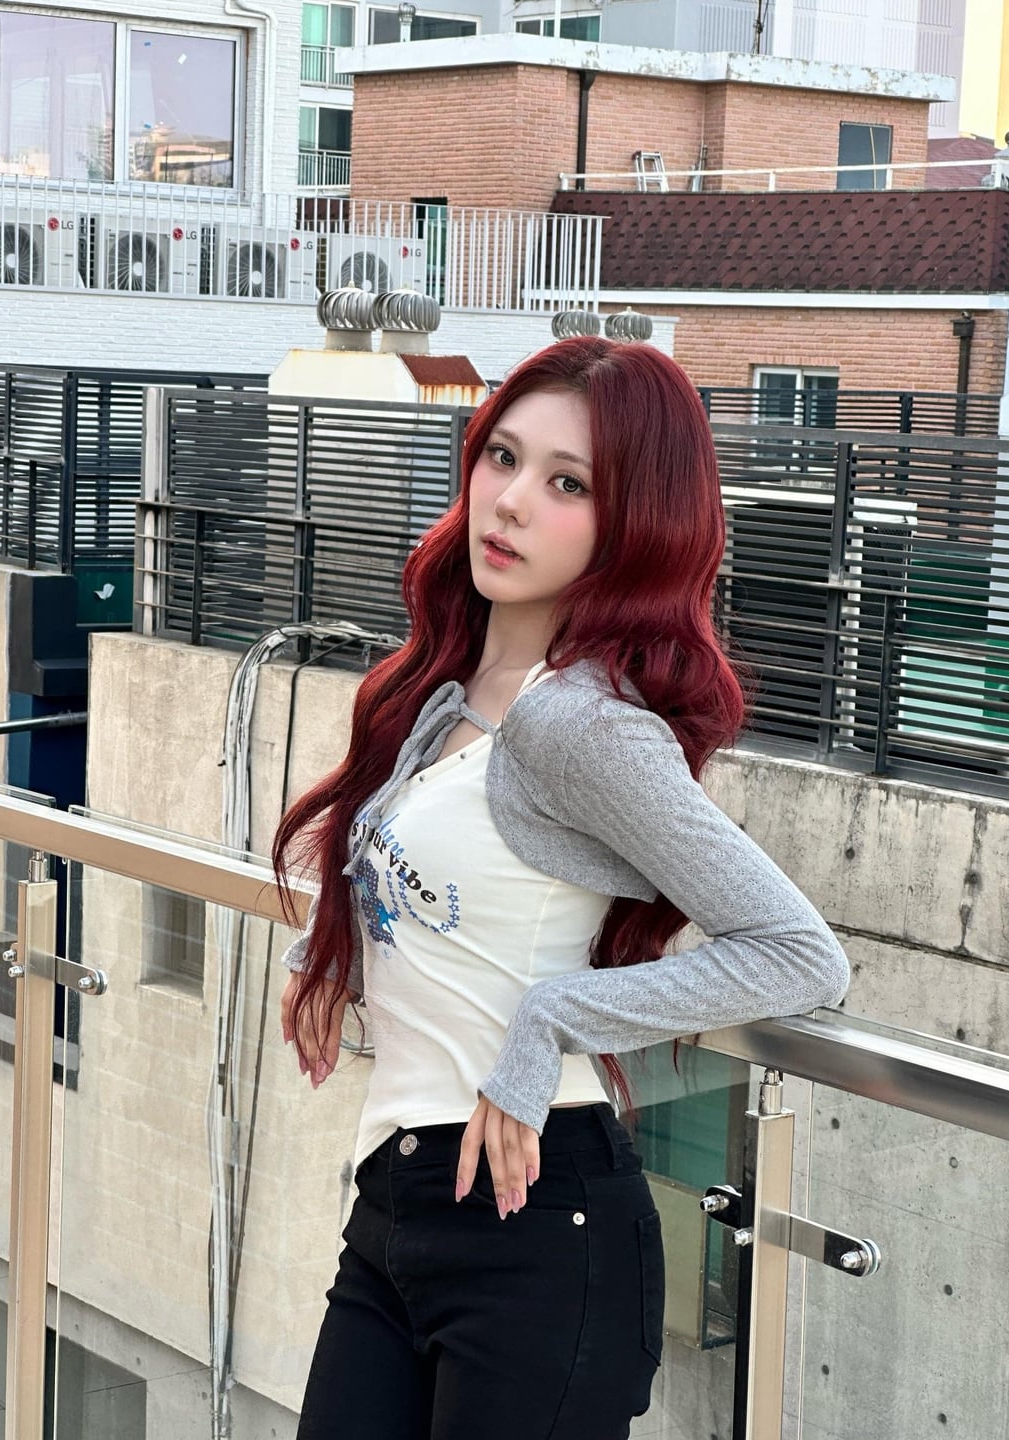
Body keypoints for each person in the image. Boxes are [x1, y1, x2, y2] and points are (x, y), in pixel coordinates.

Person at [273, 335, 848, 1440]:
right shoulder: (450, 682)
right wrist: (331, 954)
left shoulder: (580, 722)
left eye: (567, 483)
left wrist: (549, 1023)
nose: (511, 501)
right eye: (503, 457)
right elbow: (434, 881)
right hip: (397, 1203)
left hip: (539, 1227)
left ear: (633, 524)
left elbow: (799, 955)